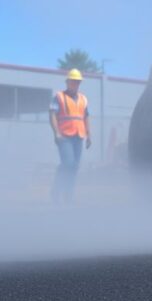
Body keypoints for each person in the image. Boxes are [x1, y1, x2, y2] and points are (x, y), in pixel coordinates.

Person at [49, 69, 92, 203]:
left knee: (74, 166)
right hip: (64, 136)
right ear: (67, 82)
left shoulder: (83, 99)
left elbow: (86, 117)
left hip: (79, 136)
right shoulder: (59, 96)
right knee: (68, 163)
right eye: (73, 81)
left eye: (78, 82)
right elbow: (52, 115)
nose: (75, 84)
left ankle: (69, 195)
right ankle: (56, 191)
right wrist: (56, 132)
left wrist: (89, 135)